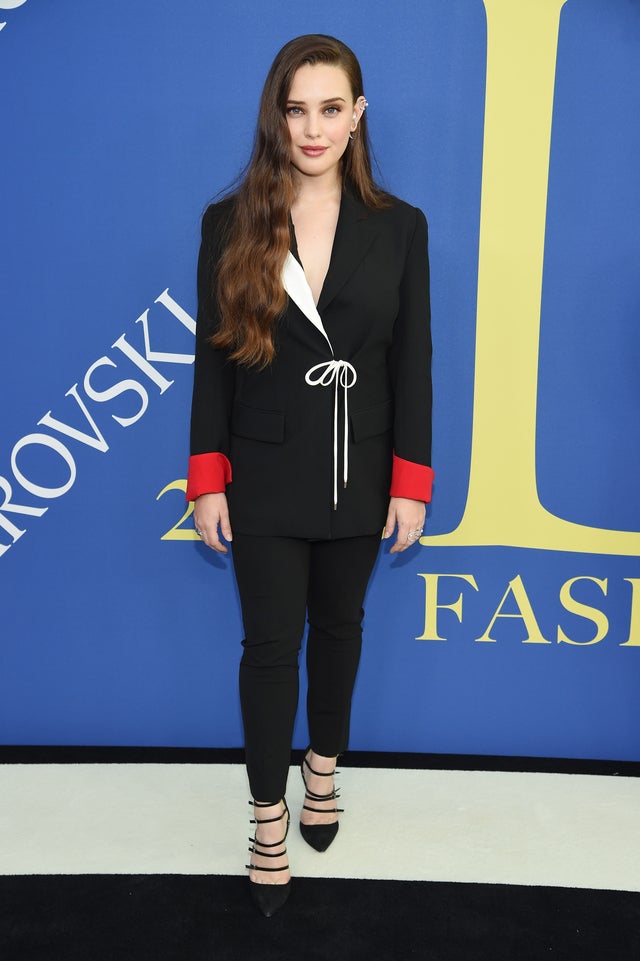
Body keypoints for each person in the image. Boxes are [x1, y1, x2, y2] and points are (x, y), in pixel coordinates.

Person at [187, 34, 433, 917]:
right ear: (276, 115)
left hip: (361, 468)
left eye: (332, 108)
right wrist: (206, 475)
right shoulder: (230, 221)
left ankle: (322, 769)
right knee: (268, 645)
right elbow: (211, 363)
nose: (314, 126)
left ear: (357, 115)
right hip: (260, 473)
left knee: (341, 626)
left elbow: (416, 360)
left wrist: (411, 480)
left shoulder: (402, 226)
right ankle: (265, 811)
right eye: (298, 108)